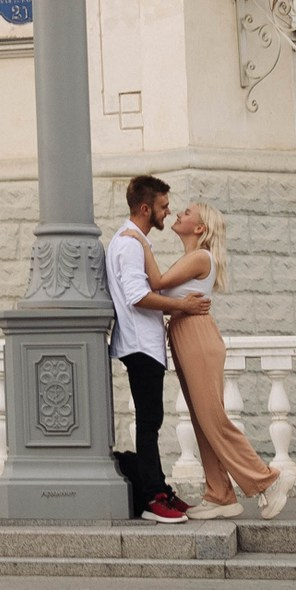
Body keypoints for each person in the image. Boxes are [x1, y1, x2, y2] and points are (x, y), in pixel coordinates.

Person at [150, 203, 292, 520]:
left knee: (213, 418)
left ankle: (268, 479)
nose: (179, 214)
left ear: (199, 228)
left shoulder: (200, 257)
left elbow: (156, 283)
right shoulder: (191, 257)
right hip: (186, 334)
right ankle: (220, 495)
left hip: (197, 336)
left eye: (187, 213)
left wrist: (139, 243)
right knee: (202, 420)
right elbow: (167, 300)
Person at [106, 175, 208, 524]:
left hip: (143, 343)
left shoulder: (133, 240)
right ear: (146, 208)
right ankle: (152, 498)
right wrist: (185, 308)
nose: (168, 212)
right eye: (163, 207)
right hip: (139, 344)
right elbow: (138, 297)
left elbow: (146, 292)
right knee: (149, 423)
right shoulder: (129, 244)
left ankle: (159, 488)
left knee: (153, 421)